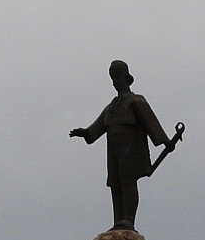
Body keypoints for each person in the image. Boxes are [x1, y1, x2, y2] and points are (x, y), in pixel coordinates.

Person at [71, 60, 173, 230]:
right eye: (112, 78)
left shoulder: (135, 101)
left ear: (126, 77)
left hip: (130, 148)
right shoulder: (111, 107)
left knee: (127, 182)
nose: (114, 82)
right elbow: (96, 128)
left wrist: (165, 141)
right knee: (115, 183)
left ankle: (128, 219)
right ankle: (118, 219)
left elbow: (151, 122)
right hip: (113, 149)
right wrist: (85, 133)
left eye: (117, 77)